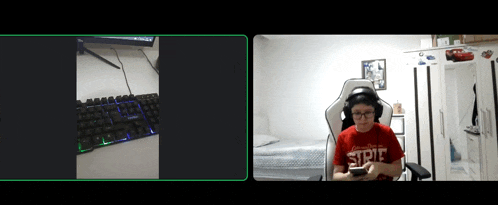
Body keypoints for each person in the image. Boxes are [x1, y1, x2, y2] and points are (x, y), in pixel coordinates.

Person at [332, 88, 404, 181]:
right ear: (350, 114)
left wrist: (379, 167)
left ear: (376, 112)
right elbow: (335, 176)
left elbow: (398, 170)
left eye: (368, 112)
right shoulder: (343, 137)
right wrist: (347, 177)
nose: (363, 119)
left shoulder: (387, 133)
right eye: (357, 113)